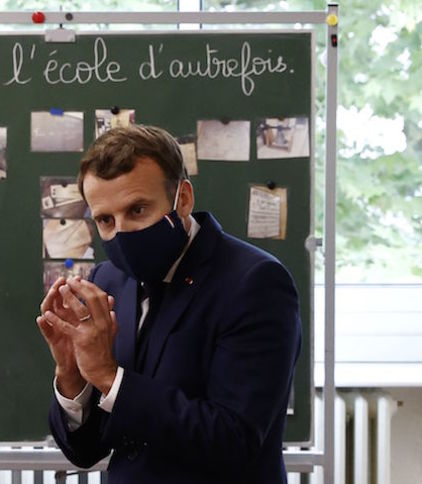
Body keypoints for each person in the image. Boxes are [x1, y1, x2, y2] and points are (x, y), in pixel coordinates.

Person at [36, 125, 302, 483]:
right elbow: (85, 452)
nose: (122, 232)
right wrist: (72, 376)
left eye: (138, 209)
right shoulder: (107, 282)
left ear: (184, 199)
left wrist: (108, 377)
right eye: (105, 220)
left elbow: (233, 440)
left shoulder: (255, 282)